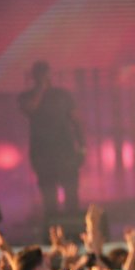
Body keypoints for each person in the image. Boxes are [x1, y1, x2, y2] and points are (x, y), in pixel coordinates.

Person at [17, 60, 85, 222]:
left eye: (45, 73)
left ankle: (73, 228)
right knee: (49, 195)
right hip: (42, 153)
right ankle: (54, 230)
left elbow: (76, 120)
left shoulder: (62, 95)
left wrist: (82, 146)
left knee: (71, 192)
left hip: (65, 150)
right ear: (34, 76)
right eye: (39, 74)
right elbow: (30, 108)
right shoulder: (26, 96)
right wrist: (41, 88)